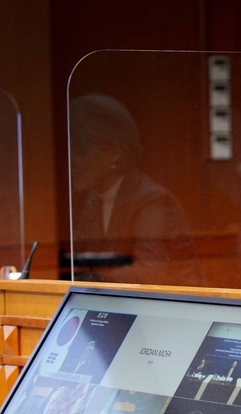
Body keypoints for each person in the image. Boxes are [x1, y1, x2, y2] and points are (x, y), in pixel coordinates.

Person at [69, 93, 206, 286]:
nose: (70, 160)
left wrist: (96, 279)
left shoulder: (152, 199)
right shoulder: (92, 200)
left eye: (79, 150)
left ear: (113, 153)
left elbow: (151, 273)